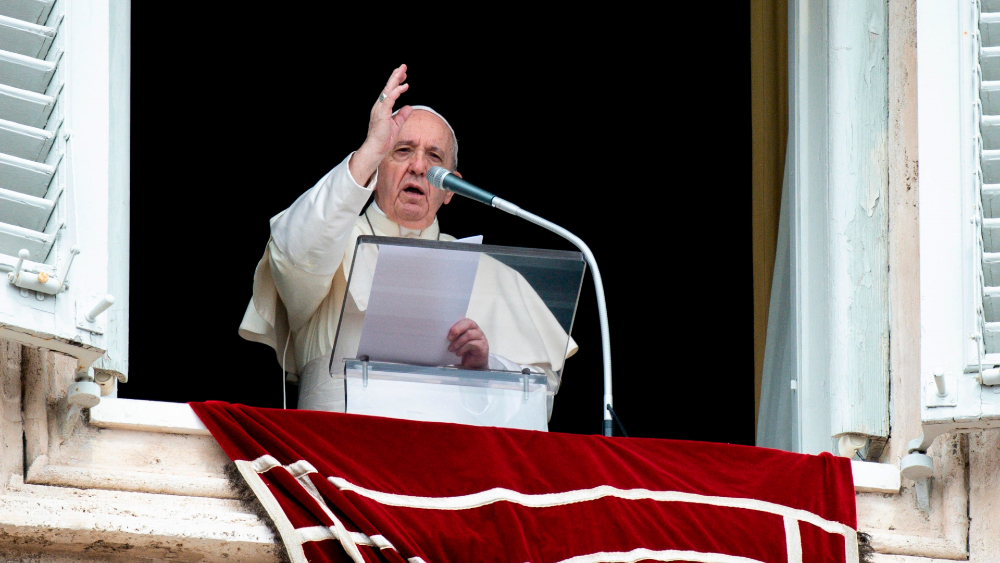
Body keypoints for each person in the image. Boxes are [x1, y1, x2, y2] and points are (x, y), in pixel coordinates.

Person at [239, 65, 576, 418]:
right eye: (402, 151)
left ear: (451, 189)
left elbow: (539, 398)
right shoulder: (330, 240)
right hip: (334, 456)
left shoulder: (495, 273)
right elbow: (292, 254)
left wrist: (484, 369)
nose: (418, 167)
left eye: (434, 157)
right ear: (378, 167)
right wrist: (370, 148)